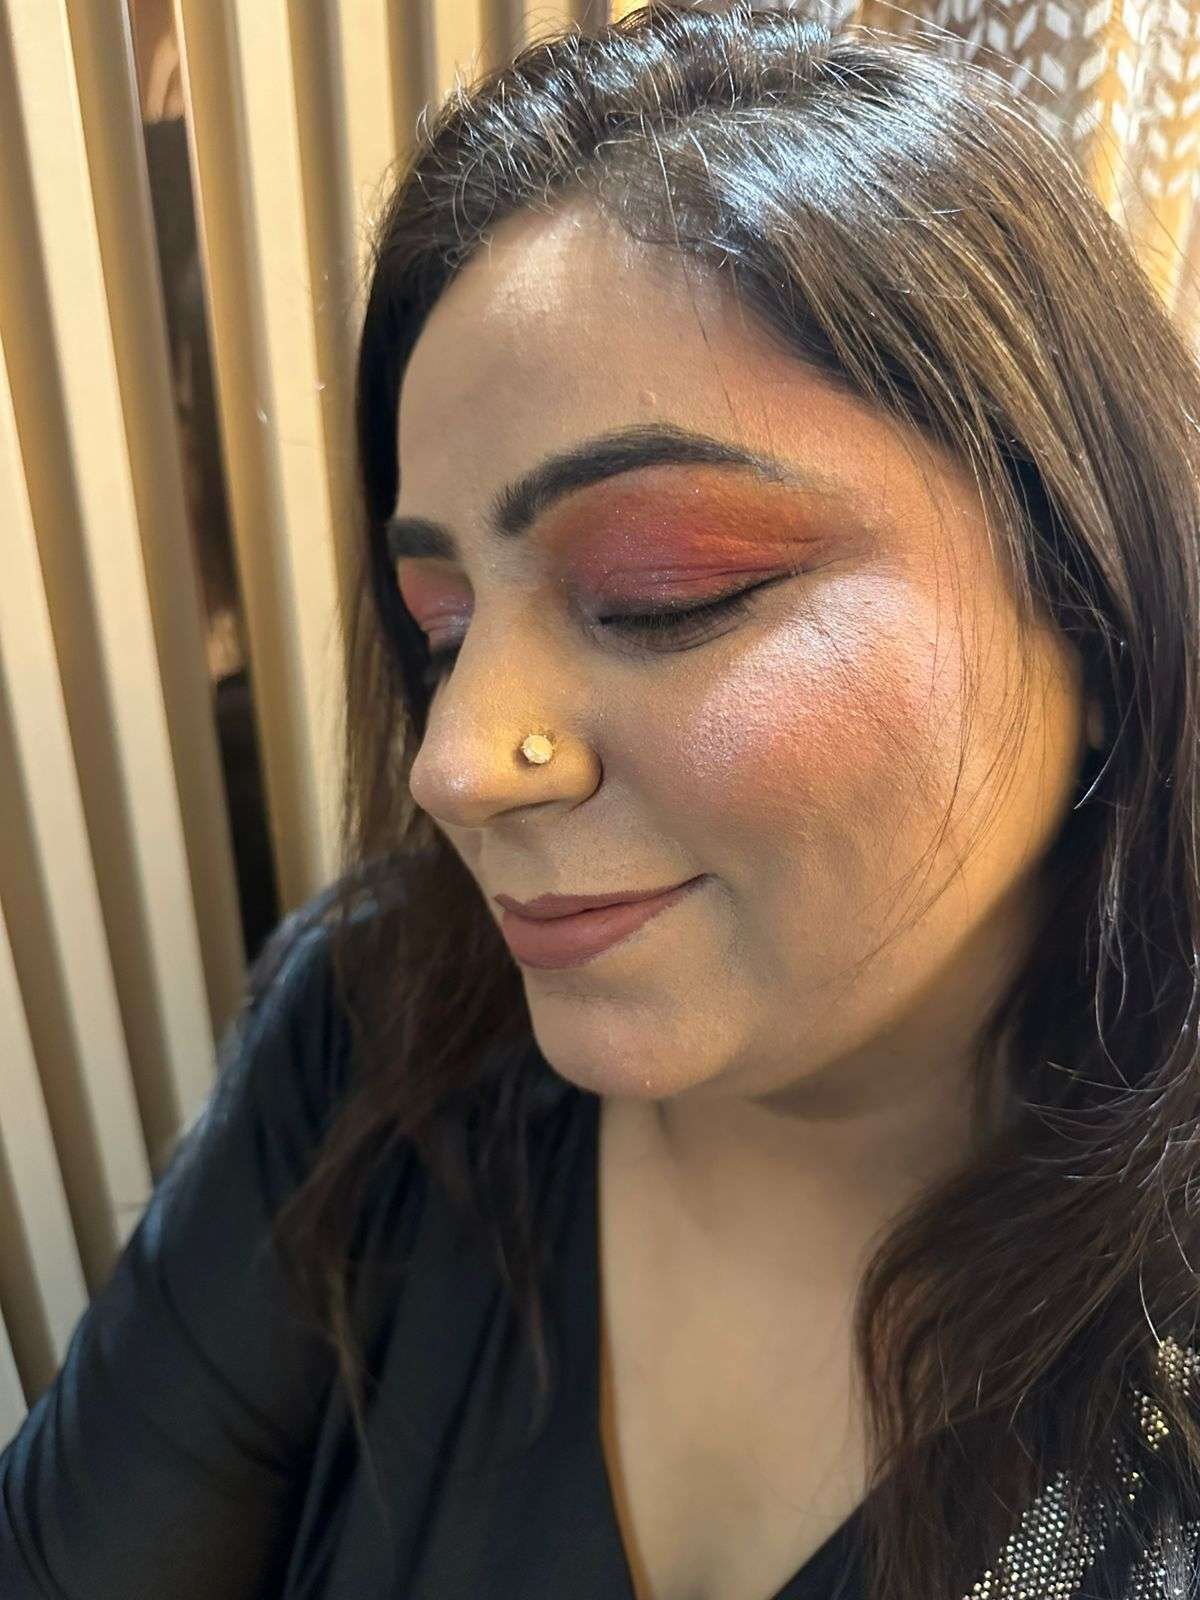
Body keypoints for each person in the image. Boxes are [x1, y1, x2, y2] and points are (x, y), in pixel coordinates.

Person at [3, 4, 1199, 1596]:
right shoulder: (379, 1022)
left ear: (1102, 612)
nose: (449, 764)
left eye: (661, 590)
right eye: (442, 629)